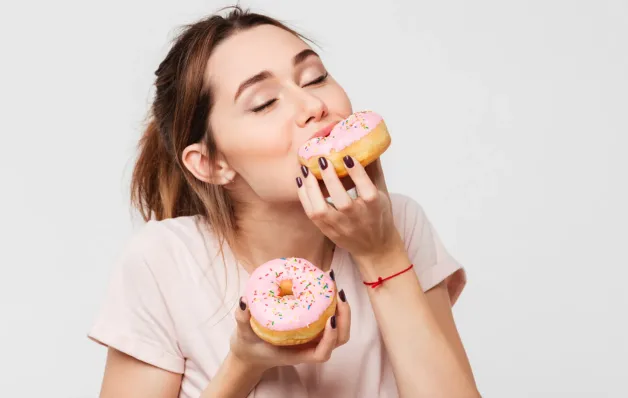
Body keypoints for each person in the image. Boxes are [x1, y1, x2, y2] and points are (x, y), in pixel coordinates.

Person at [88, 5, 478, 398]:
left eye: (315, 77)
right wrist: (245, 363)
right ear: (210, 163)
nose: (313, 106)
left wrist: (382, 255)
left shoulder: (399, 223)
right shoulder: (165, 261)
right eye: (264, 103)